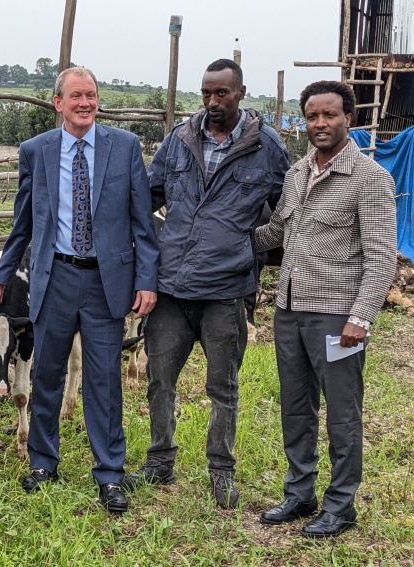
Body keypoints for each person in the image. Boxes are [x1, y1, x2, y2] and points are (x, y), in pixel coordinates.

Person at [0, 66, 159, 513]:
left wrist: (146, 279)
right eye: (76, 96)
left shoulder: (124, 147)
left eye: (92, 95)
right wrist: (2, 273)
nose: (85, 103)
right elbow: (22, 222)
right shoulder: (36, 151)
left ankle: (109, 474)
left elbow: (143, 222)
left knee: (104, 380)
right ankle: (43, 462)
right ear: (57, 102)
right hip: (55, 278)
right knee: (47, 374)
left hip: (107, 281)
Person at [124, 59, 290, 508]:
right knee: (160, 381)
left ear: (240, 93)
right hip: (172, 287)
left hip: (225, 291)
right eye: (206, 94)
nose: (213, 102)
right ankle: (159, 461)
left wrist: (248, 250)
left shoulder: (267, 147)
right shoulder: (179, 140)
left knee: (223, 386)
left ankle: (221, 470)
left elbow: (286, 211)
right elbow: (146, 196)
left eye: (222, 93)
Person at [256, 80, 396, 537]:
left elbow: (381, 257)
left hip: (337, 317)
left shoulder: (371, 179)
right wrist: (222, 236)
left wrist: (361, 317)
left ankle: (341, 505)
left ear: (347, 120)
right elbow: (275, 231)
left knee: (341, 411)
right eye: (312, 116)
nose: (320, 123)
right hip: (290, 309)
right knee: (296, 408)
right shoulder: (297, 173)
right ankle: (300, 493)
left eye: (329, 115)